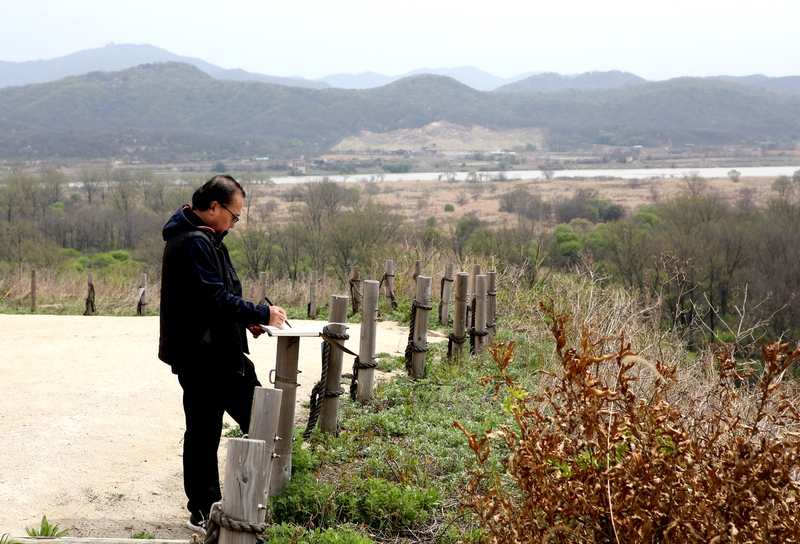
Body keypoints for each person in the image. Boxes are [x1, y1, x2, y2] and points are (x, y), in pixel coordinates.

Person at [158, 174, 287, 533]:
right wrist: (261, 313)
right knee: (216, 431)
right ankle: (206, 511)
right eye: (234, 214)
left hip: (218, 351)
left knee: (248, 421)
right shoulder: (192, 243)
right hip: (203, 356)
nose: (235, 222)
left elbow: (216, 297)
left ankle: (246, 500)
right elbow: (212, 298)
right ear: (213, 207)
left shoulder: (208, 239)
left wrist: (246, 321)